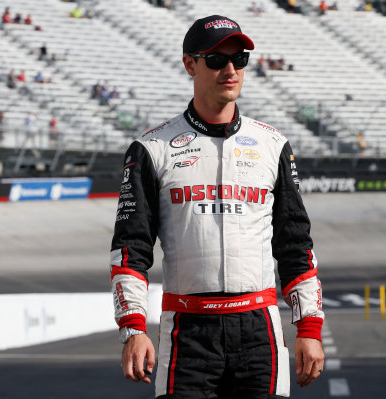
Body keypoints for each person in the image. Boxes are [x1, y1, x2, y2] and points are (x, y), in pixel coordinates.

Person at [110, 15, 324, 398]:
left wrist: (308, 329)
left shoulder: (273, 145)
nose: (230, 70)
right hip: (187, 331)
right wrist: (134, 328)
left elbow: (295, 246)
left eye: (238, 59)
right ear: (190, 64)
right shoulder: (151, 149)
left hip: (260, 329)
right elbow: (131, 249)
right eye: (216, 59)